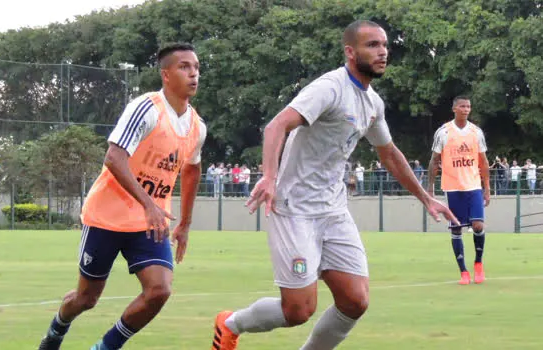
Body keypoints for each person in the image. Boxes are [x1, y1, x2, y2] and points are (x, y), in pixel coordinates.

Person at [210, 20, 458, 350]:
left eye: (385, 45)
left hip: (334, 211)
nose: (382, 51)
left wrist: (426, 198)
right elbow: (276, 126)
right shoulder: (329, 88)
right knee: (298, 310)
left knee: (355, 301)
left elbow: (389, 154)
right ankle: (230, 324)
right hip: (295, 210)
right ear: (350, 52)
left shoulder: (373, 103)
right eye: (372, 45)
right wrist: (269, 177)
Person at [38, 42, 206, 350]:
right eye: (184, 67)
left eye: (196, 67)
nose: (193, 73)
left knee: (159, 291)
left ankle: (105, 347)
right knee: (86, 298)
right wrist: (149, 205)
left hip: (148, 223)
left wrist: (185, 222)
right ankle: (56, 330)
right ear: (166, 75)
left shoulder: (197, 126)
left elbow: (192, 170)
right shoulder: (146, 108)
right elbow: (114, 158)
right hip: (107, 216)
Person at [427, 96, 490, 285]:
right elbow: (434, 161)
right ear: (454, 108)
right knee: (456, 228)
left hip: (473, 185)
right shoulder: (444, 132)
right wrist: (429, 188)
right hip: (453, 187)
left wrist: (487, 188)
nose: (466, 109)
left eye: (469, 106)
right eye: (462, 106)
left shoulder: (476, 132)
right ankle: (463, 272)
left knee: (478, 225)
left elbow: (484, 162)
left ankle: (478, 264)